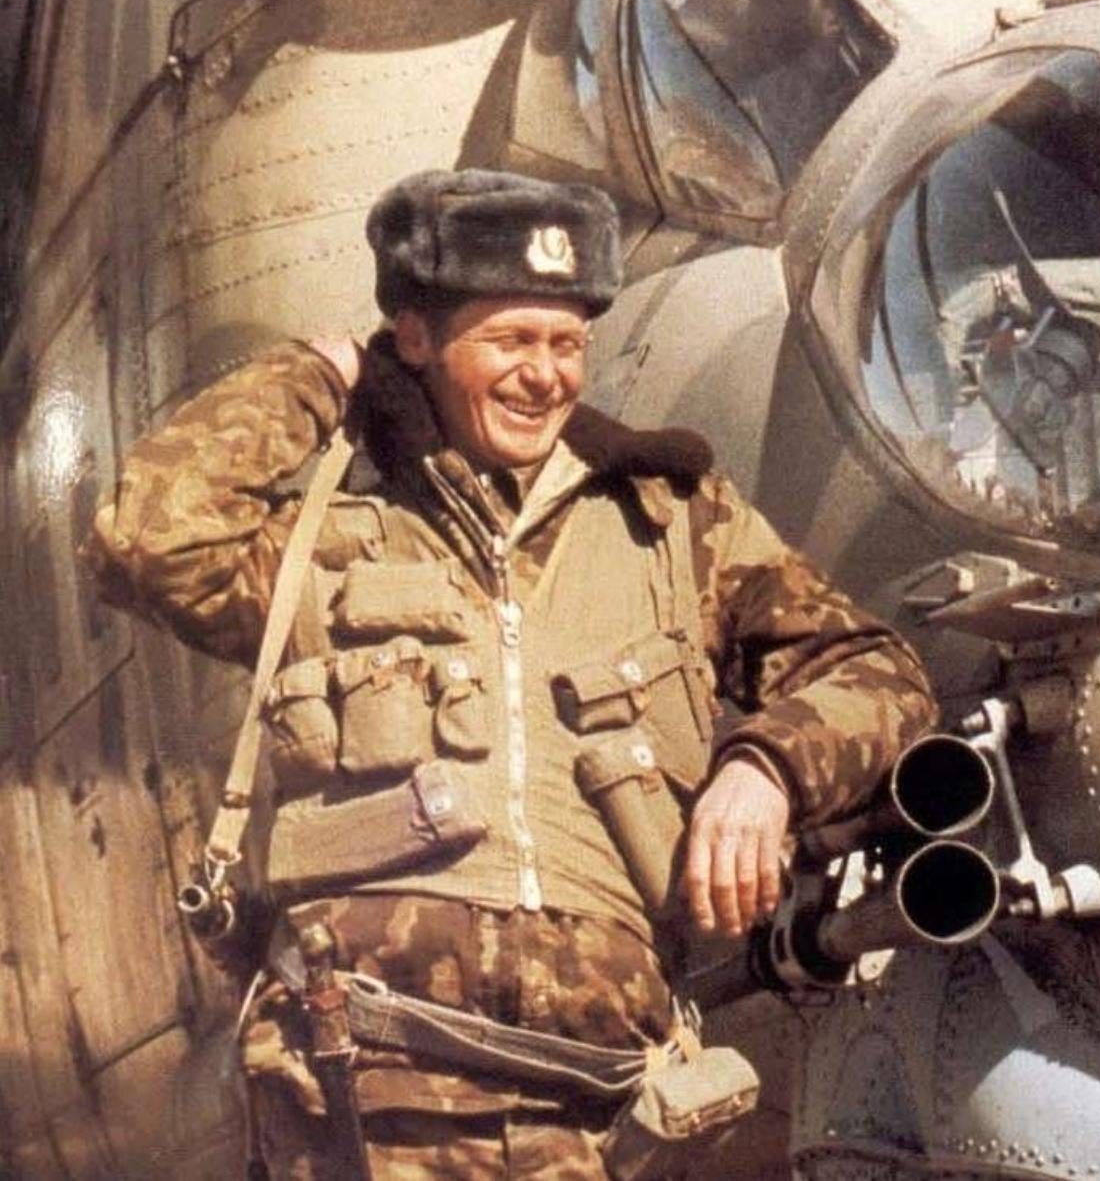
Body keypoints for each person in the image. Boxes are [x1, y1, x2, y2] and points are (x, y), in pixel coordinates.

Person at [85, 169, 936, 1178]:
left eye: (567, 343)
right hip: (366, 1075)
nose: (545, 376)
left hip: (598, 1098)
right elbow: (146, 538)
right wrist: (315, 377)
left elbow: (879, 671)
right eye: (511, 340)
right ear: (415, 337)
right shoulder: (326, 536)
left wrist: (768, 769)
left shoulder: (671, 523)